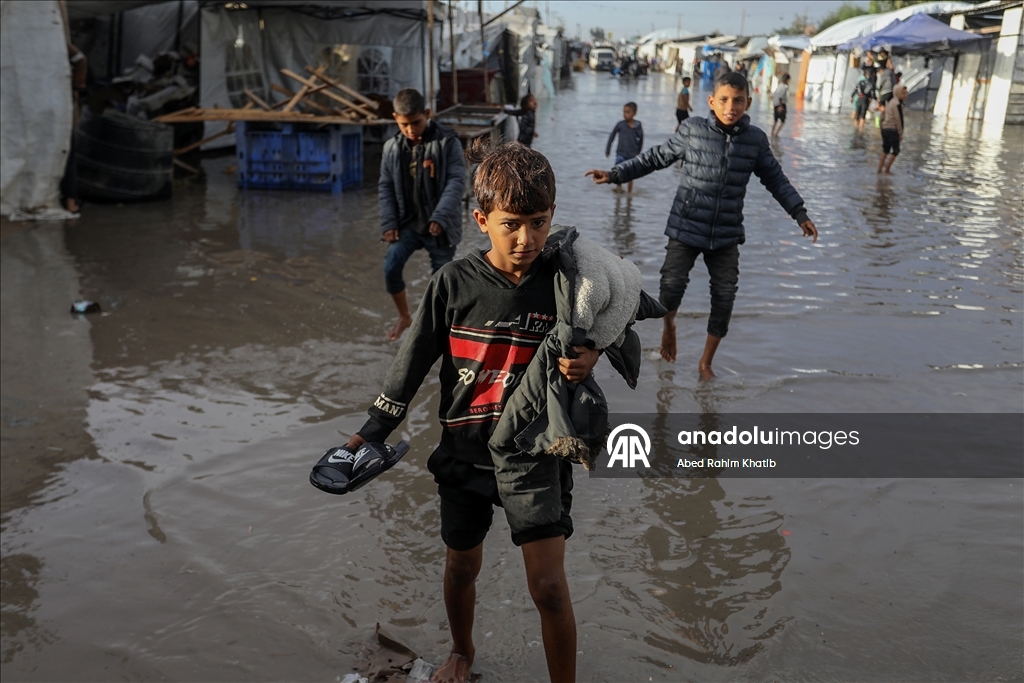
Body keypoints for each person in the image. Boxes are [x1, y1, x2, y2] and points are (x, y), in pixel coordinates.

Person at [347, 142, 599, 683]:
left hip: (536, 456)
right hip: (463, 452)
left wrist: (592, 352)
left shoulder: (568, 281)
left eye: (539, 222)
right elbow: (409, 366)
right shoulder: (451, 285)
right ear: (482, 220)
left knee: (549, 587)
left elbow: (617, 317)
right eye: (512, 224)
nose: (527, 239)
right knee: (462, 565)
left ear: (553, 215)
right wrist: (372, 431)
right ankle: (461, 651)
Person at [585, 71, 818, 379]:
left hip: (726, 234)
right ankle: (669, 327)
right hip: (685, 227)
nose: (730, 106)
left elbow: (776, 179)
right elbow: (655, 158)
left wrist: (799, 213)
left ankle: (705, 362)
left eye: (737, 100)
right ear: (711, 101)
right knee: (669, 293)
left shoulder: (756, 141)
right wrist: (616, 173)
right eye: (723, 99)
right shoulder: (693, 130)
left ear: (748, 102)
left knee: (724, 299)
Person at [378, 88, 465, 341]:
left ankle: (435, 330)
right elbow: (385, 186)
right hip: (408, 224)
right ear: (395, 118)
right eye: (404, 124)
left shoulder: (448, 142)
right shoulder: (392, 148)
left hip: (441, 227)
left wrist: (440, 217)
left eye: (416, 123)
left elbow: (456, 182)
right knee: (391, 267)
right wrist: (389, 223)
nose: (410, 130)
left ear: (427, 114)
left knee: (441, 283)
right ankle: (405, 316)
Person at [605, 102, 643, 193]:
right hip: (621, 153)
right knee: (618, 171)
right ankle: (619, 188)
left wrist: (638, 150)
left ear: (634, 113)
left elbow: (641, 139)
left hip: (632, 155)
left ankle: (629, 194)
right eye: (624, 112)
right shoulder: (620, 124)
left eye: (628, 112)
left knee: (630, 174)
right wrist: (608, 149)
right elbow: (612, 136)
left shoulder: (638, 126)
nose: (625, 114)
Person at [877, 83, 908, 174]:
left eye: (906, 93)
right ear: (898, 93)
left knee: (885, 150)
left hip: (885, 129)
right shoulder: (897, 104)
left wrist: (881, 127)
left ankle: (879, 169)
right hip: (892, 130)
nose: (905, 96)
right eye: (903, 94)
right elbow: (899, 119)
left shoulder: (890, 102)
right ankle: (887, 169)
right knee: (896, 151)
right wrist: (900, 133)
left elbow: (882, 115)